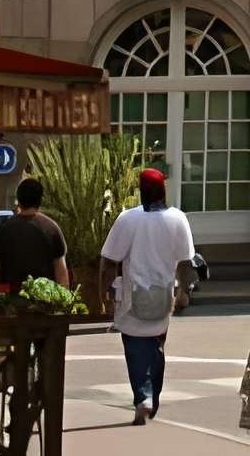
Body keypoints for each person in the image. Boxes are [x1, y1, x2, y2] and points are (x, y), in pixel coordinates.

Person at [99, 166, 198, 425]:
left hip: (132, 298)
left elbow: (109, 260)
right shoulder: (178, 219)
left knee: (134, 349)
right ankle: (153, 397)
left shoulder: (128, 219)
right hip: (164, 297)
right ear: (163, 190)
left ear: (141, 191)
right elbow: (187, 262)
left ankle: (142, 397)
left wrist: (104, 294)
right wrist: (185, 293)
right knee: (156, 348)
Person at [0, 178, 70, 296]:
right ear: (40, 200)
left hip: (12, 302)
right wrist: (63, 301)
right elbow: (61, 271)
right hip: (45, 301)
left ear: (18, 200)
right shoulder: (52, 228)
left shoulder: (5, 229)